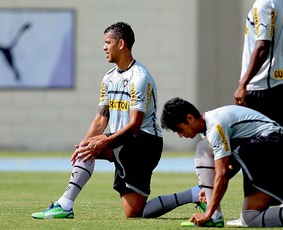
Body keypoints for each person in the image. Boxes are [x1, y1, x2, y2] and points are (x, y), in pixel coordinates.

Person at [31, 22, 202, 219]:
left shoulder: (140, 77)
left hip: (144, 142)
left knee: (134, 212)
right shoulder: (109, 78)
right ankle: (195, 193)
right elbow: (101, 118)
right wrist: (85, 145)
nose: (104, 47)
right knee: (135, 213)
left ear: (121, 44)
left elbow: (135, 125)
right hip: (124, 140)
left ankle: (65, 205)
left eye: (107, 42)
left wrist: (103, 141)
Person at [161, 97, 283, 227]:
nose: (180, 135)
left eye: (179, 129)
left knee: (203, 148)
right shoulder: (210, 128)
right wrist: (210, 189)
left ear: (190, 118)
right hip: (263, 150)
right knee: (249, 218)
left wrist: (208, 213)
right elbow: (233, 163)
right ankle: (215, 217)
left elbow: (223, 173)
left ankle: (213, 217)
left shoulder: (215, 127)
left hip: (273, 145)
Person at [234, 0, 283, 126]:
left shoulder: (263, 4)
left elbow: (262, 46)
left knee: (257, 141)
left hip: (261, 87)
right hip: (277, 82)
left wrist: (243, 84)